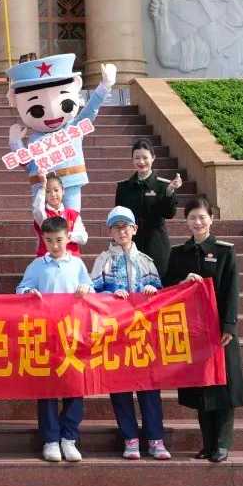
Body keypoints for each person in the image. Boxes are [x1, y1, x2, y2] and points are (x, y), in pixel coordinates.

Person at [164, 196, 243, 463]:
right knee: (201, 387)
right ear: (186, 221)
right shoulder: (178, 253)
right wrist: (182, 282)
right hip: (193, 331)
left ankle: (222, 444)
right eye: (192, 218)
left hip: (219, 330)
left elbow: (231, 291)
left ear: (211, 219)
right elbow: (167, 288)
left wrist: (229, 326)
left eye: (202, 217)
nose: (197, 222)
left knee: (223, 387)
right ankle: (208, 443)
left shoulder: (224, 251)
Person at [89, 207, 171, 461]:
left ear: (134, 229)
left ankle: (155, 438)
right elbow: (92, 294)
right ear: (110, 232)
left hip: (143, 335)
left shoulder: (146, 261)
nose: (121, 231)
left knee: (149, 387)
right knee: (120, 387)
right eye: (116, 227)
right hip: (115, 334)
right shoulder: (103, 260)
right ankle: (130, 438)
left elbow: (160, 294)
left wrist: (152, 290)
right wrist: (109, 295)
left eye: (125, 226)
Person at [16, 216, 93, 463]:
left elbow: (92, 291)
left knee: (75, 388)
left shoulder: (77, 265)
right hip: (47, 334)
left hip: (73, 334)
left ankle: (69, 437)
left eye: (59, 240)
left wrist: (86, 290)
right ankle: (50, 439)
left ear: (68, 237)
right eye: (49, 240)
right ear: (43, 240)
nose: (55, 245)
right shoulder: (37, 265)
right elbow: (21, 289)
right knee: (47, 389)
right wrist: (29, 292)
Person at [116, 139, 183, 276]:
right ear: (132, 159)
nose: (141, 162)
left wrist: (169, 192)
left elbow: (169, 214)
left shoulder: (163, 185)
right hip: (131, 244)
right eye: (137, 158)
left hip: (156, 243)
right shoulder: (123, 187)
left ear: (153, 158)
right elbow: (119, 217)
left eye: (145, 157)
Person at [32, 172, 87, 257]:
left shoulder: (73, 215)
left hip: (71, 259)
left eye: (56, 190)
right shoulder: (44, 216)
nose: (53, 194)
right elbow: (37, 209)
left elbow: (83, 238)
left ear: (63, 191)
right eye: (48, 191)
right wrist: (43, 186)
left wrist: (66, 235)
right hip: (47, 260)